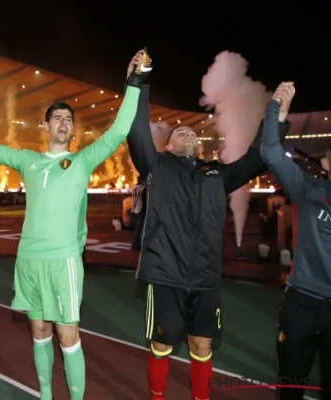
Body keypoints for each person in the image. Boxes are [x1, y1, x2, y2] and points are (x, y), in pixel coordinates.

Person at [0, 48, 146, 400]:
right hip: (29, 260)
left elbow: (118, 131)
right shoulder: (28, 161)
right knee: (38, 331)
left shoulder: (82, 161)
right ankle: (46, 395)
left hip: (63, 261)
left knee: (68, 336)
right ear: (46, 126)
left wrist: (135, 83)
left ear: (73, 129)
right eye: (57, 118)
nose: (64, 123)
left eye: (69, 119)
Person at [127, 70, 293, 400]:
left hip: (204, 277)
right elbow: (137, 131)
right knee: (161, 346)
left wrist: (278, 117)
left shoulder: (215, 173)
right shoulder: (157, 166)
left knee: (201, 347)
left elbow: (258, 156)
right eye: (180, 133)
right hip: (166, 276)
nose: (188, 135)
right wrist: (136, 82)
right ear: (168, 146)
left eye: (192, 133)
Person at [259, 83, 331, 400]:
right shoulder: (308, 188)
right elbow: (269, 151)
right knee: (290, 386)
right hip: (301, 302)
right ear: (326, 165)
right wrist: (277, 112)